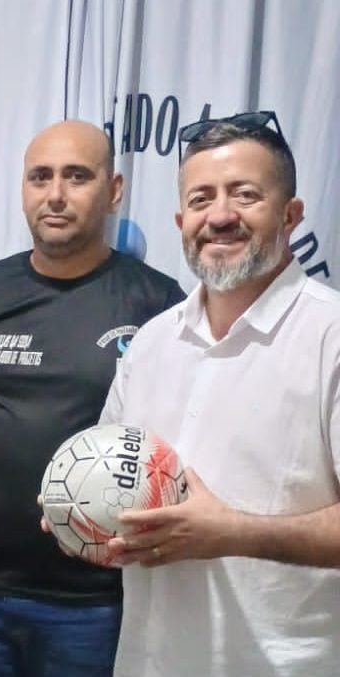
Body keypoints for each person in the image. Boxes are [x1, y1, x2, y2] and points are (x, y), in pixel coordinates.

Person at [0, 120, 185, 676]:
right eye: (40, 177)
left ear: (114, 190)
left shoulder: (159, 306)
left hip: (95, 605)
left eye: (77, 176)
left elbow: (179, 455)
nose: (55, 194)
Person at [99, 112, 340, 676]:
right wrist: (83, 517)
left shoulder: (330, 335)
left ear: (291, 215)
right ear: (181, 221)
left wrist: (233, 533)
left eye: (245, 195)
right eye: (201, 199)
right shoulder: (151, 342)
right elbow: (113, 477)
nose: (221, 216)